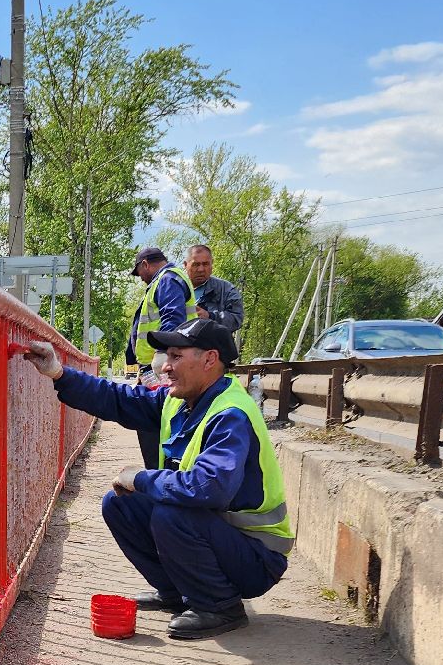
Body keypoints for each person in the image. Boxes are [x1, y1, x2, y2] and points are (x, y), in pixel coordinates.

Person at [26, 318, 292, 639]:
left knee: (170, 511)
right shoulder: (179, 401)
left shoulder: (230, 414)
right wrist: (58, 372)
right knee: (121, 503)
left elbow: (208, 490)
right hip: (221, 537)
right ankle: (177, 592)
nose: (165, 367)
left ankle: (219, 606)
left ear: (210, 359)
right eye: (167, 356)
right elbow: (118, 399)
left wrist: (142, 478)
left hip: (256, 558)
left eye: (176, 356)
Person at [125, 246, 197, 466]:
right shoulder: (164, 281)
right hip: (153, 370)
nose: (140, 279)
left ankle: (161, 475)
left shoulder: (167, 280)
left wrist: (162, 354)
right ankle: (160, 473)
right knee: (152, 419)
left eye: (139, 273)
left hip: (160, 369)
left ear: (145, 264)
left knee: (155, 422)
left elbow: (172, 317)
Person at [183, 244, 244, 334]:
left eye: (206, 264)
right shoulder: (173, 290)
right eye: (196, 264)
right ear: (185, 265)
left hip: (213, 346)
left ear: (212, 263)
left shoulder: (226, 289)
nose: (201, 269)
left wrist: (210, 316)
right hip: (178, 345)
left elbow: (237, 319)